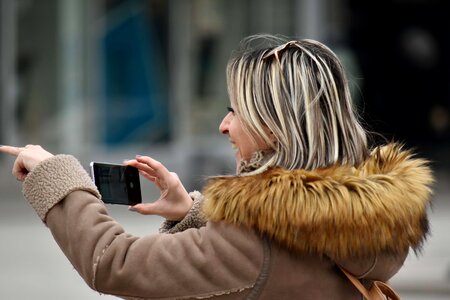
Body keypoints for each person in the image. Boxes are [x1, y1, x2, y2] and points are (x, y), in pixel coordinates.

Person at [0, 34, 434, 299]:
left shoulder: (256, 242)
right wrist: (198, 213)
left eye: (236, 111)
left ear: (276, 125)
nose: (224, 126)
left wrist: (57, 177)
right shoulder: (358, 220)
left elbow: (114, 264)